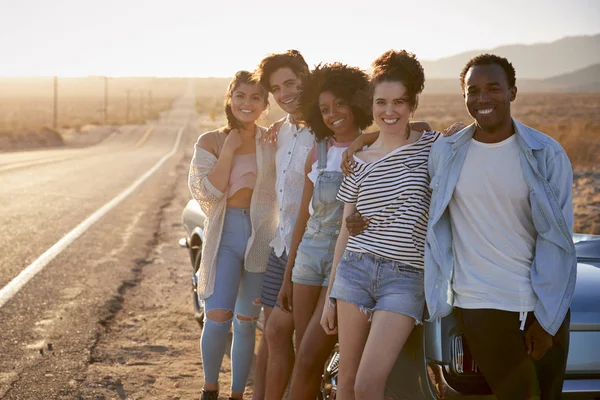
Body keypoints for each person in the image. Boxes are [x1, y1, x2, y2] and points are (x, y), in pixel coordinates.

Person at [425, 54, 575, 400]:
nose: (482, 98)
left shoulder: (546, 154)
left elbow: (558, 240)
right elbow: (398, 135)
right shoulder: (446, 153)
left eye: (493, 88)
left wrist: (546, 319)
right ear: (463, 96)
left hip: (543, 304)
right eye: (472, 90)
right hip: (481, 302)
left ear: (513, 92)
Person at [321, 50, 440, 400]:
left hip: (405, 278)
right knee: (346, 382)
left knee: (369, 383)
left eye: (399, 102)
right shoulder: (356, 161)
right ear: (370, 105)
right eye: (381, 102)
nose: (390, 111)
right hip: (355, 271)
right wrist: (330, 296)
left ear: (412, 103)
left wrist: (367, 136)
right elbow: (345, 230)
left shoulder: (432, 146)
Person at [280, 63, 372, 400]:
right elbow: (302, 221)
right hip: (308, 259)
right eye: (324, 109)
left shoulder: (373, 149)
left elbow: (417, 128)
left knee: (308, 356)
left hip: (344, 261)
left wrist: (367, 137)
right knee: (306, 362)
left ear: (356, 102)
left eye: (339, 105)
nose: (333, 114)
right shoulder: (318, 152)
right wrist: (288, 275)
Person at [188, 70, 278, 400]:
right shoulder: (210, 141)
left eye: (256, 97)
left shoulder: (271, 140)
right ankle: (209, 390)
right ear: (230, 98)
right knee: (217, 319)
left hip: (260, 239)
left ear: (265, 105)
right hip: (223, 238)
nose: (247, 103)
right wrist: (229, 150)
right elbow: (208, 193)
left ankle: (237, 394)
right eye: (240, 95)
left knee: (245, 322)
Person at [251, 49, 315, 400]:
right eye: (277, 89)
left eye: (290, 83)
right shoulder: (283, 132)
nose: (284, 93)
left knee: (280, 331)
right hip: (280, 246)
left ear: (306, 76)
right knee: (271, 334)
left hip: (308, 251)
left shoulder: (325, 128)